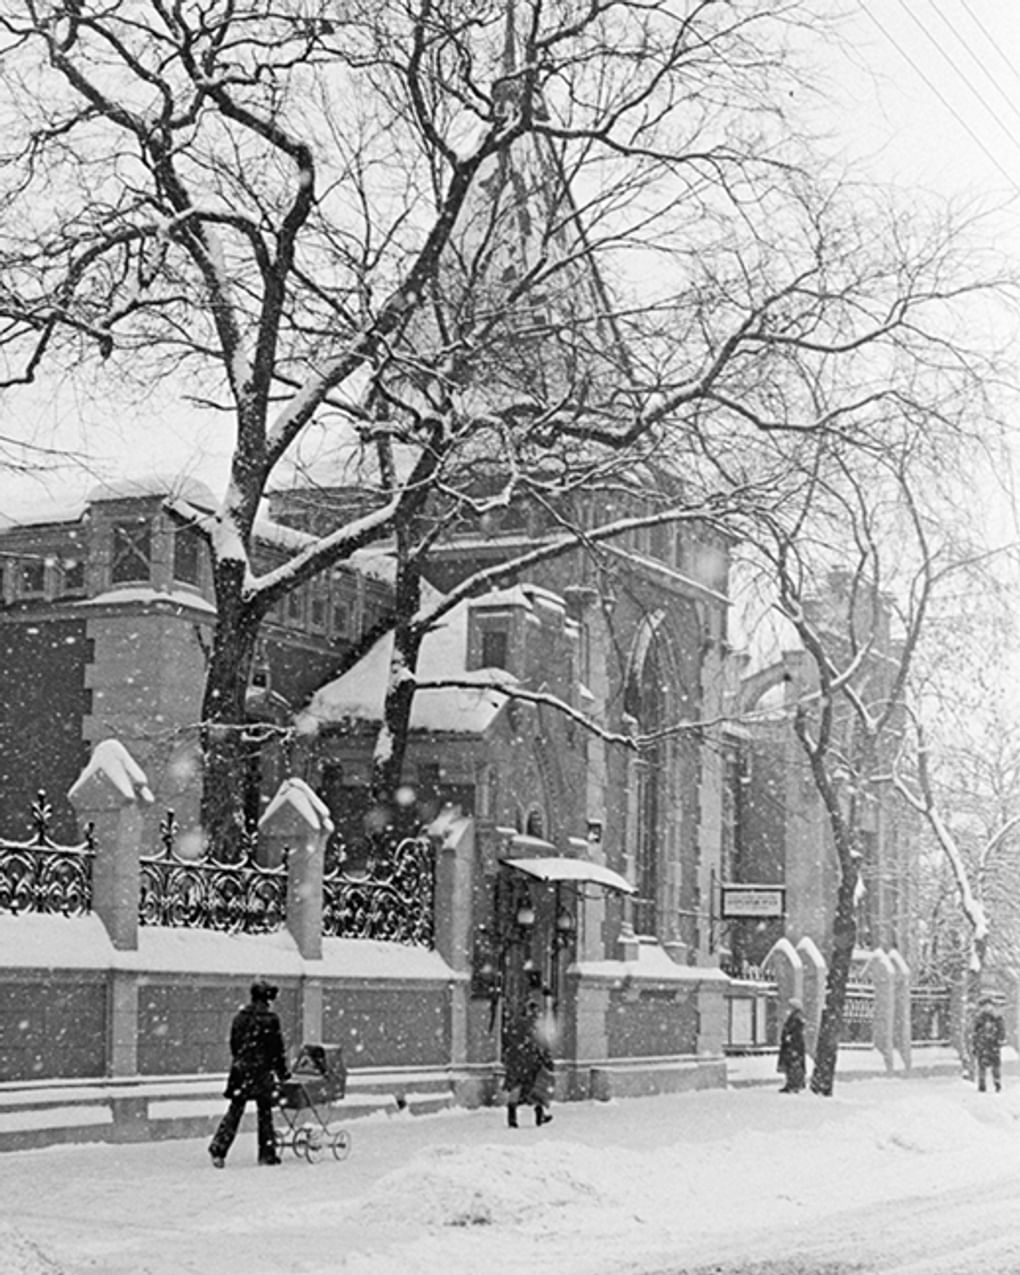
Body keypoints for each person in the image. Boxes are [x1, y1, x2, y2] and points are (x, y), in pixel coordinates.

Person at [209, 979, 290, 1167]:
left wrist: (243, 1062)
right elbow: (276, 1050)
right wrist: (282, 1073)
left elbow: (234, 1046)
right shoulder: (270, 1020)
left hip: (241, 1072)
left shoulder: (239, 1018)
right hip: (261, 1073)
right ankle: (267, 1153)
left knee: (235, 1110)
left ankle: (218, 1148)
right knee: (265, 1113)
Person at [503, 998, 555, 1128]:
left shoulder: (516, 1024)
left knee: (516, 1087)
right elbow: (543, 1045)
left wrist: (509, 1057)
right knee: (538, 1088)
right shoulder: (537, 1027)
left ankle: (512, 1118)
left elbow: (508, 1040)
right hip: (531, 1062)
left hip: (516, 1061)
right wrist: (547, 1060)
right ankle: (540, 1115)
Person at [971, 995, 1006, 1094]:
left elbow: (975, 1032)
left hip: (985, 1044)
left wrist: (975, 1044)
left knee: (985, 1065)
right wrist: (1000, 1040)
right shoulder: (995, 1017)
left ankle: (985, 1084)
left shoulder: (981, 1018)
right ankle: (994, 1082)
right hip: (990, 1045)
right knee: (994, 1065)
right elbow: (1001, 1030)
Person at [777, 998, 806, 1093]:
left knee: (793, 1065)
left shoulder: (796, 1018)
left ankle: (793, 1084)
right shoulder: (796, 1017)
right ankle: (793, 1084)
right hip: (793, 1045)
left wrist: (789, 1038)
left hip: (793, 1046)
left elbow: (794, 1031)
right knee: (792, 1065)